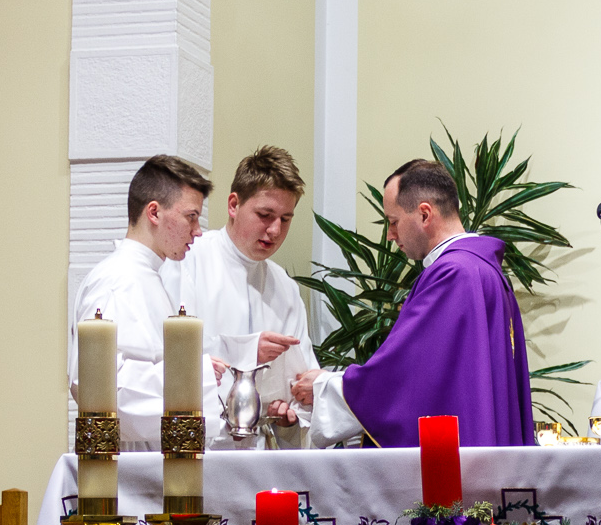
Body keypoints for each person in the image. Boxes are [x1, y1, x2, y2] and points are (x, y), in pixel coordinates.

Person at [291, 159, 536, 448]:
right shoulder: (485, 271)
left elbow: (405, 377)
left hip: (459, 462)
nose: (390, 234)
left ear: (424, 214)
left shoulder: (452, 274)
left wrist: (325, 386)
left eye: (393, 221)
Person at [171, 145, 315, 445]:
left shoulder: (285, 287)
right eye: (265, 215)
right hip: (202, 445)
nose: (274, 230)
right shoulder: (189, 261)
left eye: (286, 218)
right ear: (234, 205)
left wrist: (291, 410)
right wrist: (246, 353)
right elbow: (173, 358)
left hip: (259, 452)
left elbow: (302, 376)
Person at [71, 155, 212, 451]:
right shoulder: (117, 281)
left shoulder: (145, 277)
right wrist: (199, 374)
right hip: (125, 466)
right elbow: (105, 389)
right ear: (154, 213)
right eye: (191, 216)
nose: (198, 231)